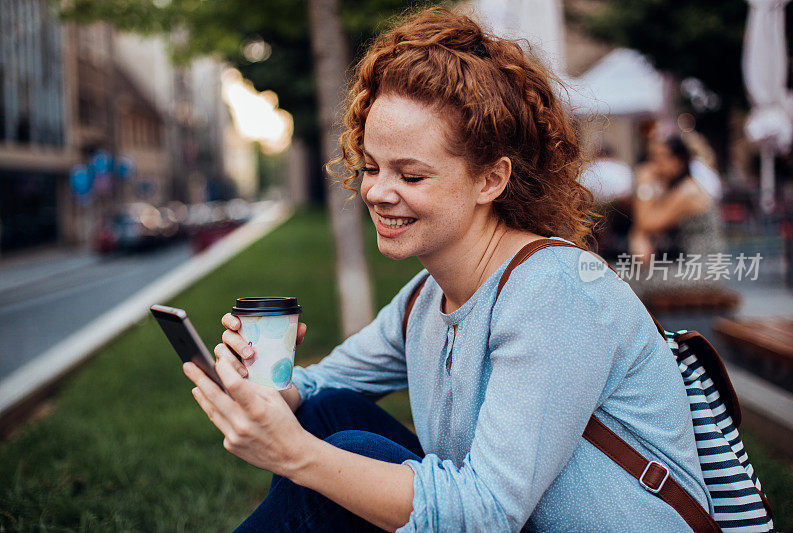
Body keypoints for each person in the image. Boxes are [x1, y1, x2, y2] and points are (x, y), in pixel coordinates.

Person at [182, 7, 711, 531]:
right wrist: (269, 386)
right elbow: (320, 388)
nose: (377, 192)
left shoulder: (558, 293)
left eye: (411, 175)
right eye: (370, 167)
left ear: (490, 180)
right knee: (326, 419)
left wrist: (295, 454)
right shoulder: (426, 298)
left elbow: (483, 513)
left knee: (341, 452)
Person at [627, 135, 726, 297]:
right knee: (624, 275)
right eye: (651, 157)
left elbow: (646, 222)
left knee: (626, 279)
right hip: (686, 266)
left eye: (660, 157)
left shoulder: (687, 191)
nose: (653, 165)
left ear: (678, 162)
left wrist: (643, 184)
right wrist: (639, 237)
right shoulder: (676, 189)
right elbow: (647, 223)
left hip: (702, 271)